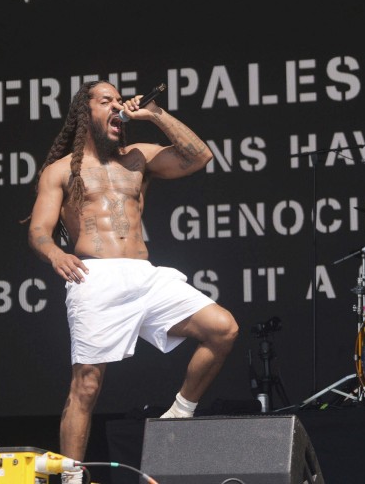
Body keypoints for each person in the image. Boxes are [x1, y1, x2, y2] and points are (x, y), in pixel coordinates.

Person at [27, 80, 239, 478]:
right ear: (84, 113)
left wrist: (154, 114)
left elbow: (198, 157)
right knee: (86, 386)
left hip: (143, 275)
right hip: (95, 276)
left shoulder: (138, 158)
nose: (116, 106)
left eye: (118, 100)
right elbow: (39, 230)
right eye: (105, 100)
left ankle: (180, 413)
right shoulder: (60, 171)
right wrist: (55, 252)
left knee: (223, 328)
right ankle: (72, 476)